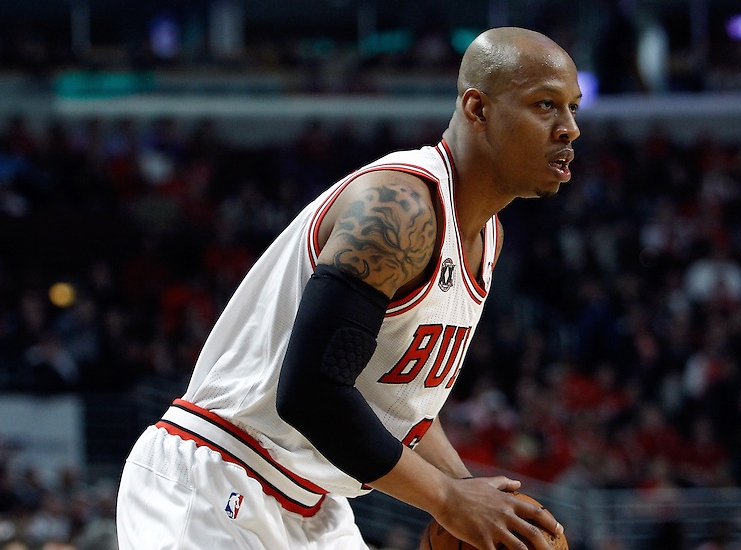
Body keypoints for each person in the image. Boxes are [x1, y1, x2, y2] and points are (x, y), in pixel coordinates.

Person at [116, 26, 581, 550]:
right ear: (478, 109)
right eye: (546, 105)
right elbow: (312, 394)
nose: (569, 129)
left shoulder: (486, 236)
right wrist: (449, 502)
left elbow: (400, 404)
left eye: (572, 109)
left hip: (315, 502)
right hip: (218, 476)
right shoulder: (401, 207)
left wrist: (465, 488)